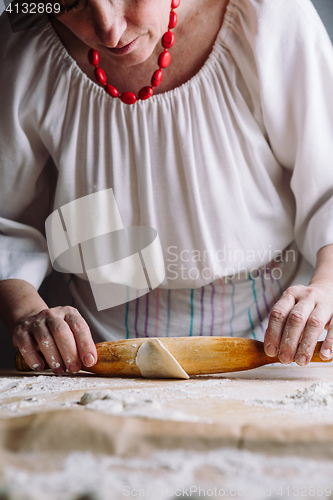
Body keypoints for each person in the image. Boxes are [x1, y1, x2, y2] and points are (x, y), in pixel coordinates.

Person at [1, 0, 333, 375]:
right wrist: (29, 312)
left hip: (273, 344)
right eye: (70, 3)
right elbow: (8, 223)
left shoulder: (267, 18)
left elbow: (328, 189)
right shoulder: (25, 45)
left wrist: (325, 288)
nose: (108, 29)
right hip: (94, 352)